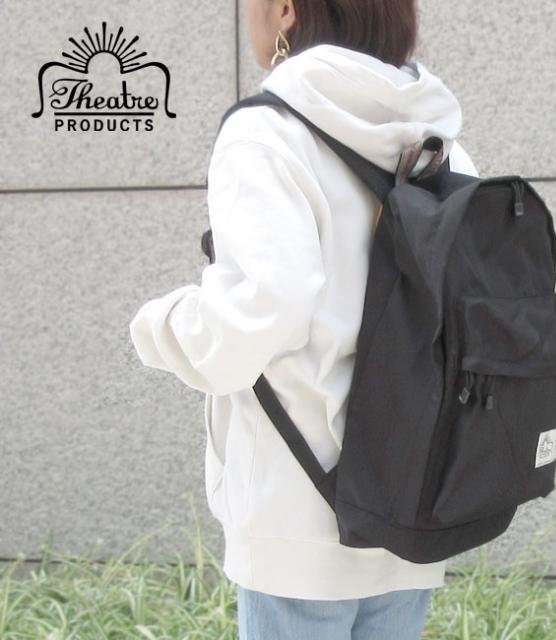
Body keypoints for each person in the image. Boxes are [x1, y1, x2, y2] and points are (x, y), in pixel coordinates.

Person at [129, 0, 480, 637]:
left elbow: (263, 307)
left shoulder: (267, 134)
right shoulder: (442, 147)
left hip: (299, 508)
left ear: (286, 9)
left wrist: (161, 326)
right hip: (412, 500)